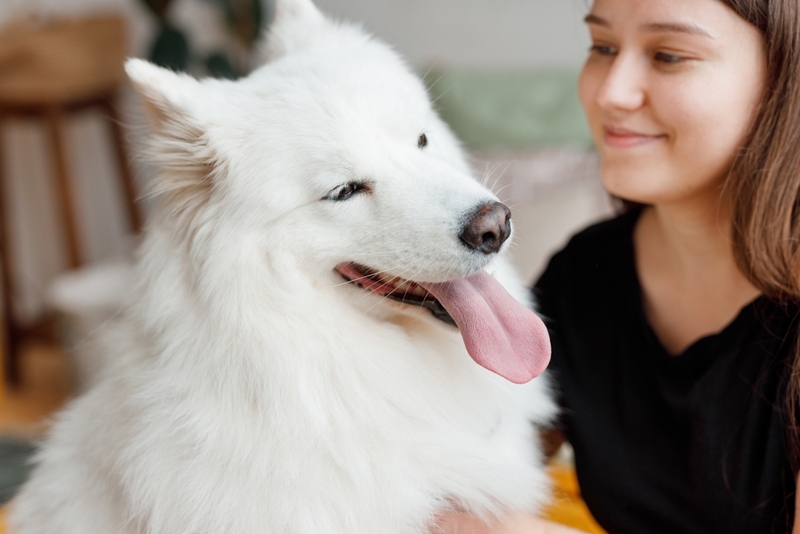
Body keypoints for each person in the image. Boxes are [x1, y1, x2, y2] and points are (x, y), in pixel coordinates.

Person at [435, 0, 800, 532]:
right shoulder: (587, 273)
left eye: (670, 55)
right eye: (602, 47)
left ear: (784, 80)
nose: (609, 91)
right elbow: (464, 475)